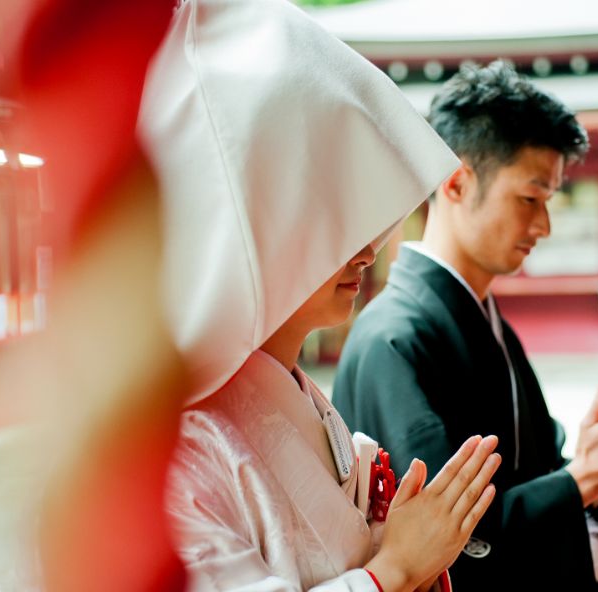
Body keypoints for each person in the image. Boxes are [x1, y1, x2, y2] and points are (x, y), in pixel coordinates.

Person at [138, 1, 500, 590]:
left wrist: (403, 546)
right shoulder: (180, 452)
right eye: (331, 216)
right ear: (250, 227)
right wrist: (394, 568)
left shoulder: (303, 399)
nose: (367, 250)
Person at [334, 61, 598, 591]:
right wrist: (584, 478)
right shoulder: (392, 339)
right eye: (528, 199)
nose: (542, 225)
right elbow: (452, 543)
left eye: (548, 202)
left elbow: (534, 470)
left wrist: (584, 467)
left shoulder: (487, 323)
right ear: (455, 182)